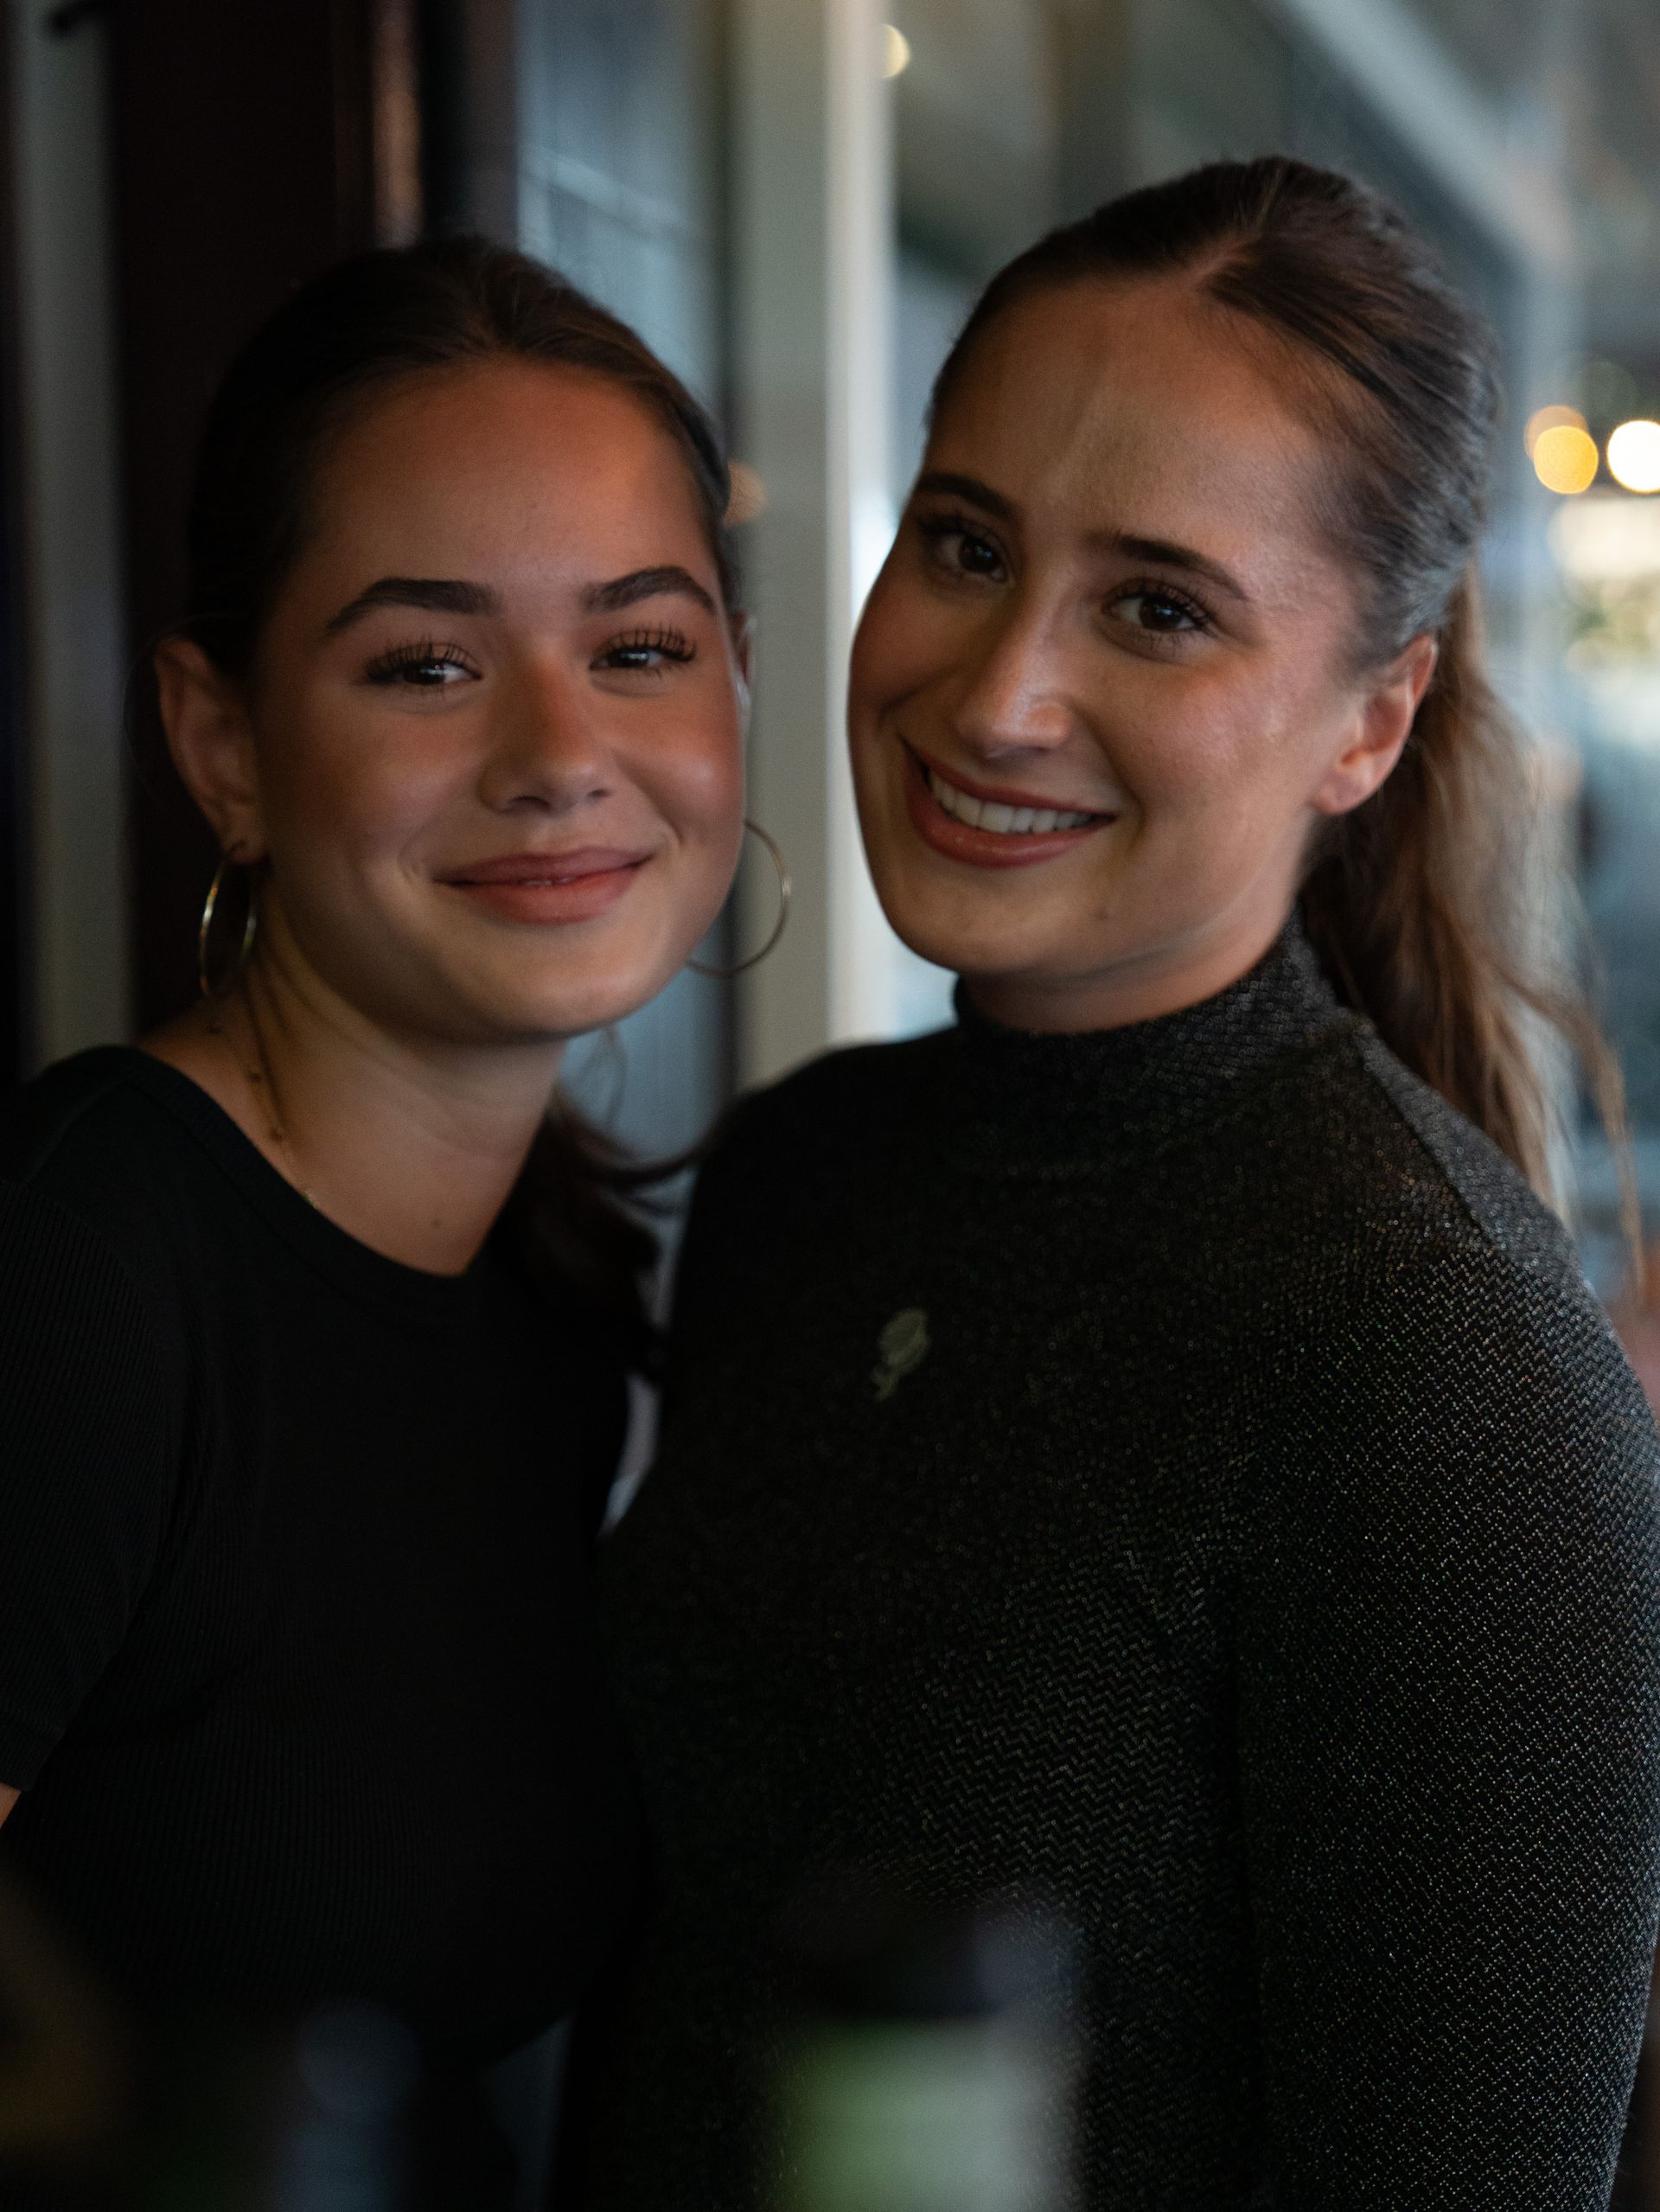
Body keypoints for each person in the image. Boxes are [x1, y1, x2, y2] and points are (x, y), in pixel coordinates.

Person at [576, 159, 1660, 2209]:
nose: (994, 694)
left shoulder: (1445, 1378)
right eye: (966, 543)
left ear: (1373, 716)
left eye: (1159, 608)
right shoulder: (801, 1178)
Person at [0, 236, 748, 2196]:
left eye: (642, 646)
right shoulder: (89, 1266)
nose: (561, 754)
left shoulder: (549, 1279)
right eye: (427, 664)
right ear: (223, 744)